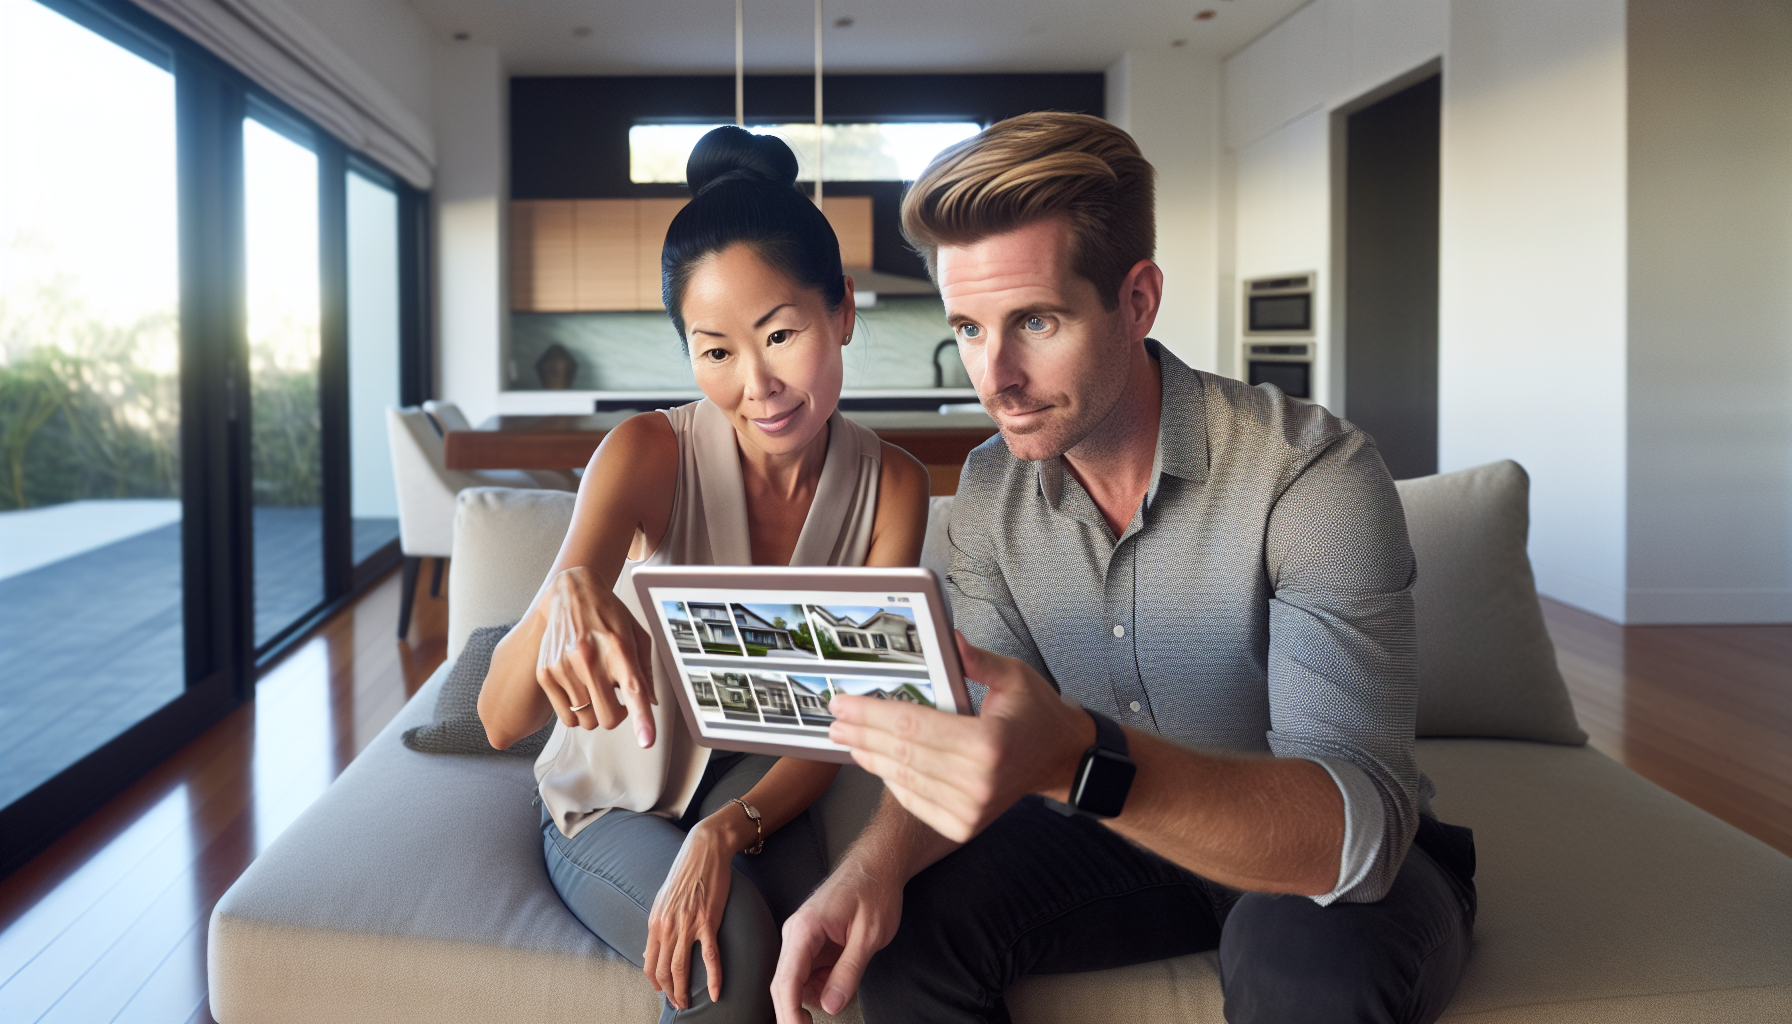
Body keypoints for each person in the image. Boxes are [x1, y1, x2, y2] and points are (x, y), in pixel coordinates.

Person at [771, 112, 1477, 1024]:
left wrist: (1080, 757)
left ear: (1138, 300)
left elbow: (1360, 833)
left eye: (1035, 321)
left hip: (1314, 854)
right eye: (970, 329)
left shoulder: (1311, 473)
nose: (996, 377)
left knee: (1302, 967)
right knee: (893, 938)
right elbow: (982, 737)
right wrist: (870, 871)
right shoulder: (992, 489)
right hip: (1112, 834)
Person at [477, 126, 930, 1024]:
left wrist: (730, 829)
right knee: (728, 948)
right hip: (615, 799)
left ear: (841, 310)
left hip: (762, 783)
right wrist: (562, 591)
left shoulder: (894, 487)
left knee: (832, 944)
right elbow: (501, 720)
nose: (756, 383)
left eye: (782, 333)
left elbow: (842, 726)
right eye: (716, 350)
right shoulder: (646, 451)